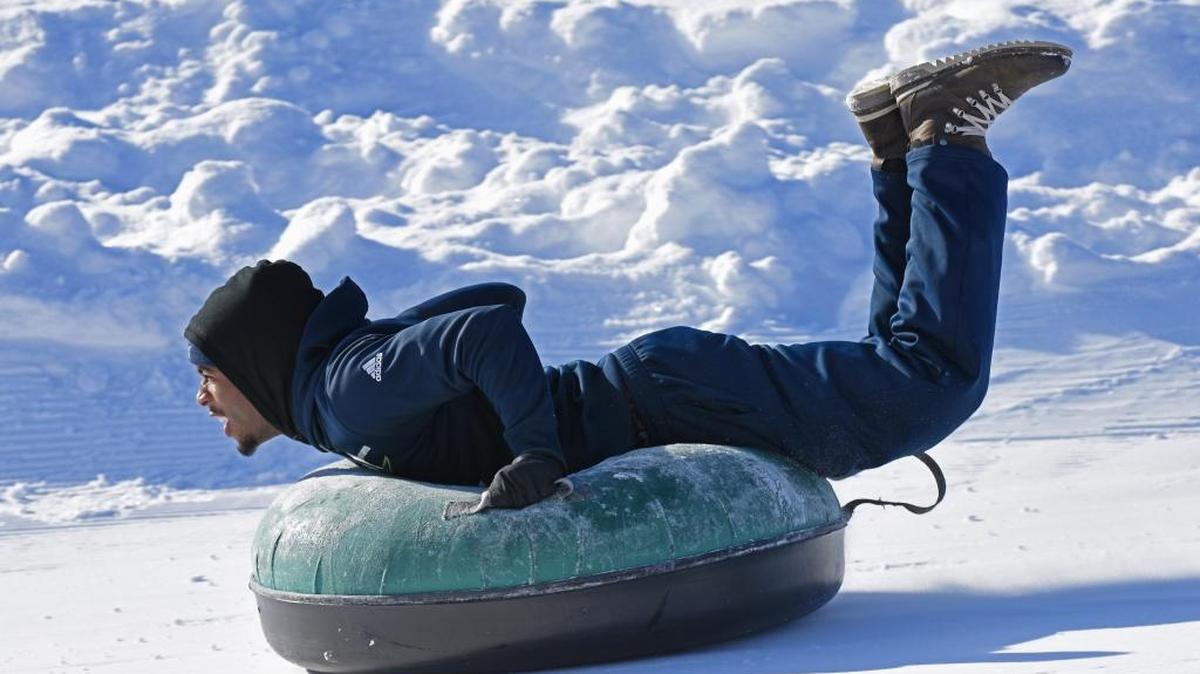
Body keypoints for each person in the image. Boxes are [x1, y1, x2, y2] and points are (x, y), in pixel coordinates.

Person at [188, 41, 1072, 512]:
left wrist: (534, 449)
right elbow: (496, 302)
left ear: (257, 364)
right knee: (901, 356)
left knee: (929, 381)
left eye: (210, 375)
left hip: (673, 404)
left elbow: (485, 330)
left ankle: (944, 138)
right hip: (664, 388)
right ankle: (899, 146)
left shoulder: (346, 396)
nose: (204, 398)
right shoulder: (342, 393)